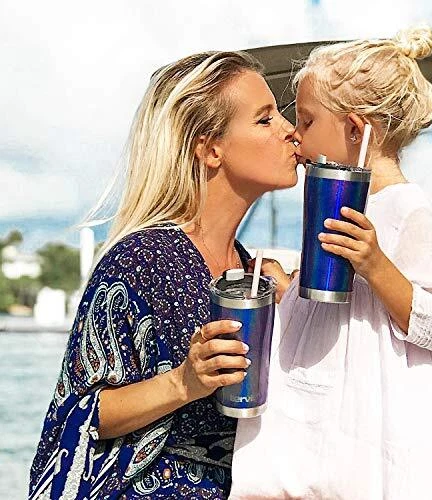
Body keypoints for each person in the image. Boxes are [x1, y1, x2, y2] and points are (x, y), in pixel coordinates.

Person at [230, 26, 432, 500]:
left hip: (373, 425)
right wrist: (289, 289)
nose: (296, 136)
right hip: (331, 419)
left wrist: (375, 263)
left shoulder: (409, 211)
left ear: (356, 129)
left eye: (307, 121)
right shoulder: (338, 205)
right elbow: (342, 311)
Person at [29, 51, 298, 499]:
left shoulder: (249, 270)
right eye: (265, 119)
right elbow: (78, 413)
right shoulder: (143, 259)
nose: (290, 130)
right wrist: (183, 382)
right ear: (210, 149)